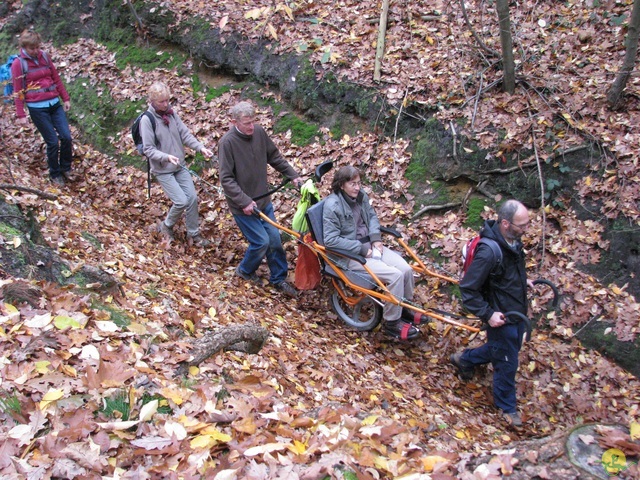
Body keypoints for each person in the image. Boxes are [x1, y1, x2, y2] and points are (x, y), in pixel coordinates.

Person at [450, 199, 534, 427]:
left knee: (505, 348)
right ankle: (507, 407)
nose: (526, 229)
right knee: (507, 360)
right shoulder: (489, 251)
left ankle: (464, 359)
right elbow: (468, 289)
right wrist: (488, 314)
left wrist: (524, 281)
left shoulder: (513, 241)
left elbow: (507, 271)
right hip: (501, 315)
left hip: (515, 309)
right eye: (522, 225)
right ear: (505, 223)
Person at [322, 165, 427, 340]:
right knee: (395, 276)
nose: (357, 187)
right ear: (341, 185)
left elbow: (371, 217)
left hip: (371, 245)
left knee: (406, 269)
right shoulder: (332, 206)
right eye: (353, 184)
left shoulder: (360, 196)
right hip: (350, 255)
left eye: (359, 183)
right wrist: (363, 249)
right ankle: (392, 323)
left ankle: (405, 307)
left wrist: (376, 238)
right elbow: (331, 241)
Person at [218, 101, 302, 297]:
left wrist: (293, 175)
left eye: (253, 122)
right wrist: (244, 201)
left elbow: (274, 157)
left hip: (263, 201)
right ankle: (245, 271)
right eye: (246, 123)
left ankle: (279, 279)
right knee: (261, 242)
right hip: (243, 207)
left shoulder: (259, 133)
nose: (251, 127)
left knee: (274, 240)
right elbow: (226, 179)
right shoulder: (227, 143)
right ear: (234, 122)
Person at [140, 81, 214, 247]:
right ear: (152, 101)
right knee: (181, 201)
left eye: (167, 100)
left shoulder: (171, 114)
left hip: (179, 166)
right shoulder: (147, 120)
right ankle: (166, 226)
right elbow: (148, 149)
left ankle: (194, 234)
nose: (166, 104)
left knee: (192, 198)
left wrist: (200, 148)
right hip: (163, 169)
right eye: (162, 102)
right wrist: (166, 157)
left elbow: (185, 134)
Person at [11, 30, 74, 187]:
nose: (36, 51)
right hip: (37, 108)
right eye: (32, 48)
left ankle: (66, 168)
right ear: (25, 47)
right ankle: (55, 174)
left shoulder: (45, 57)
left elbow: (56, 78)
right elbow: (18, 91)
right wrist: (20, 114)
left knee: (66, 137)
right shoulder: (19, 64)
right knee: (52, 141)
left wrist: (65, 98)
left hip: (54, 103)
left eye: (37, 47)